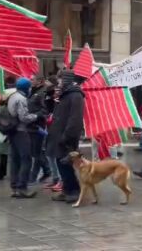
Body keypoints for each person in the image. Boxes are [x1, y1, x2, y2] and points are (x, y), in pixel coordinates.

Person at [50, 70, 85, 203]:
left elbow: (75, 120)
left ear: (66, 80)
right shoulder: (65, 94)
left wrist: (66, 136)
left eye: (60, 79)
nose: (58, 82)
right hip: (59, 135)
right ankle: (66, 189)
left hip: (66, 137)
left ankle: (74, 191)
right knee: (61, 163)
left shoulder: (76, 95)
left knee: (65, 164)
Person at [7, 77, 39, 198]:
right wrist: (36, 116)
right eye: (29, 87)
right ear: (26, 88)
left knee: (15, 160)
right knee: (26, 159)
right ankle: (22, 188)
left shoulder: (12, 96)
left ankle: (14, 187)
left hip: (12, 132)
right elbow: (24, 117)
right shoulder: (21, 99)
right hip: (21, 131)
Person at [27, 75, 51, 183]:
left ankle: (34, 176)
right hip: (30, 125)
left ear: (40, 81)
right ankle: (47, 170)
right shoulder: (32, 92)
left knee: (36, 152)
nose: (31, 81)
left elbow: (44, 110)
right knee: (34, 151)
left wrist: (35, 116)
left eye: (33, 79)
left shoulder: (42, 93)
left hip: (37, 125)